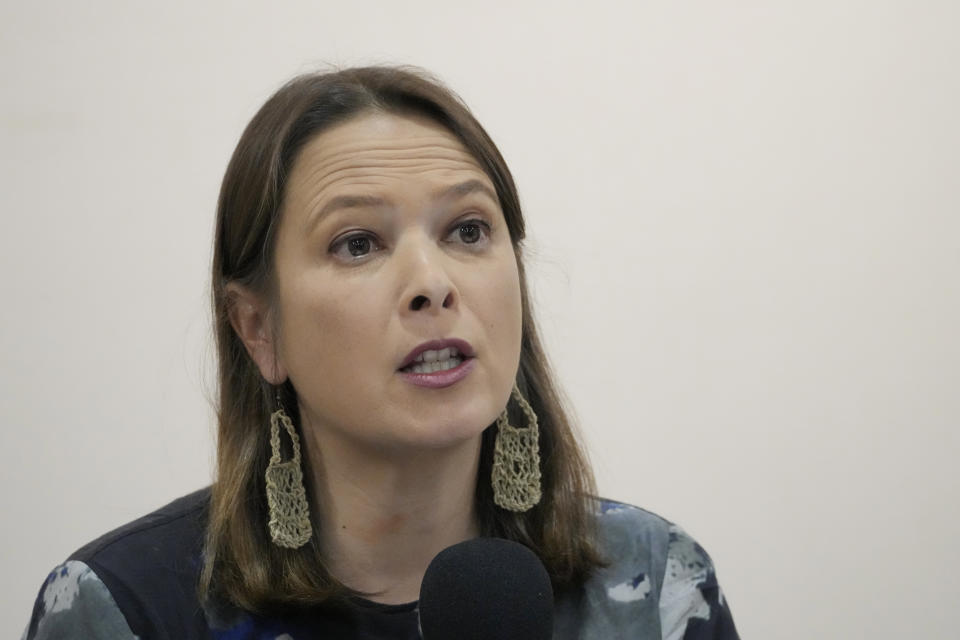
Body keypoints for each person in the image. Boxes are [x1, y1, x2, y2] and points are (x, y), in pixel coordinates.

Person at [23, 66, 739, 639]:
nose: (432, 284)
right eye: (357, 243)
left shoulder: (657, 586)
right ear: (257, 329)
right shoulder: (123, 610)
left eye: (466, 231)